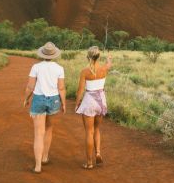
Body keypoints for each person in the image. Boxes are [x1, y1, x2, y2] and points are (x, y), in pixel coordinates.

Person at [23, 41, 66, 173]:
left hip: (39, 99)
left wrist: (26, 99)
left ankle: (37, 166)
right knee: (49, 128)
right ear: (54, 55)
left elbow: (30, 86)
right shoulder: (59, 68)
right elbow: (61, 88)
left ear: (43, 54)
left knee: (38, 134)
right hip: (53, 100)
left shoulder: (36, 67)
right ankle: (45, 157)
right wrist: (63, 103)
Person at [75, 46, 112, 169]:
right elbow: (109, 64)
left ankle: (89, 162)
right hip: (101, 101)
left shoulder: (85, 71)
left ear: (88, 56)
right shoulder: (104, 69)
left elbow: (80, 90)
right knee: (97, 129)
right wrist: (109, 59)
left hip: (90, 101)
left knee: (88, 132)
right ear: (98, 56)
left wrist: (77, 103)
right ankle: (98, 153)